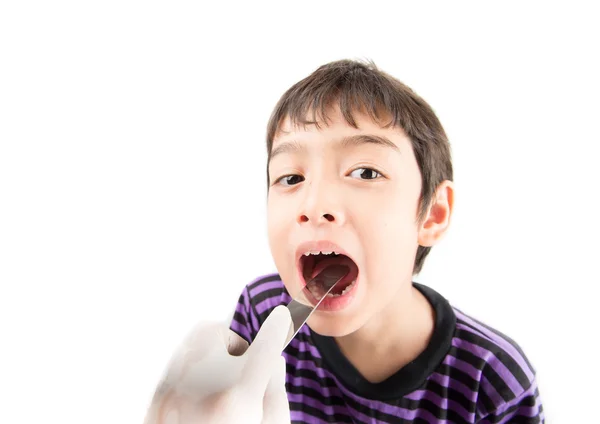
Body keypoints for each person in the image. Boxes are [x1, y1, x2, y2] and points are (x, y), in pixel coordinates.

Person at [229, 60, 545, 423]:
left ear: (433, 214)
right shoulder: (264, 310)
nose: (314, 206)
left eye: (365, 172)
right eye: (290, 177)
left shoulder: (491, 380)